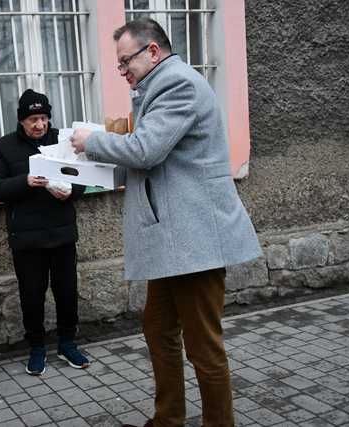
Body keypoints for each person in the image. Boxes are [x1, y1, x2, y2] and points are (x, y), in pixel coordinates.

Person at [71, 18, 262, 427]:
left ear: (153, 51)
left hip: (195, 240)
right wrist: (76, 179)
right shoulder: (153, 89)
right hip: (172, 242)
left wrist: (92, 142)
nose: (122, 72)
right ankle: (168, 419)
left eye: (126, 62)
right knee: (158, 331)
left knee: (203, 346)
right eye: (120, 65)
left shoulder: (177, 85)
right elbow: (144, 164)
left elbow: (145, 150)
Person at [0, 89, 90, 376]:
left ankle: (68, 344)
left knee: (67, 292)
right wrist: (26, 181)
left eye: (44, 118)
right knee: (31, 296)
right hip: (27, 238)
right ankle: (36, 348)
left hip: (62, 233)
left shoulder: (63, 141)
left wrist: (70, 191)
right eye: (33, 119)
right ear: (21, 120)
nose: (40, 125)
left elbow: (82, 176)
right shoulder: (3, 148)